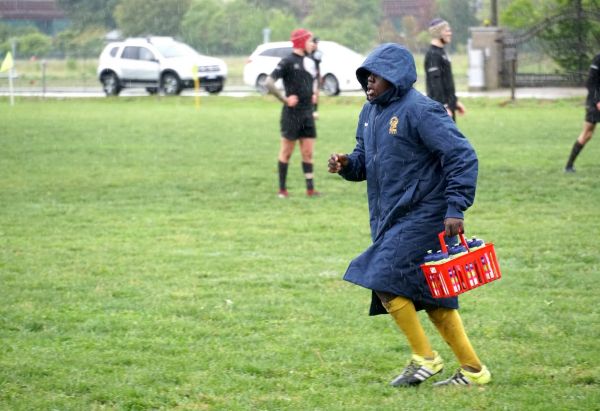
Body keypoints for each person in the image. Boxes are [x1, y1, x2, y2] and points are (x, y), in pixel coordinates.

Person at [328, 43, 491, 387]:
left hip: (428, 214)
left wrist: (455, 206)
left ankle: (425, 358)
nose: (368, 81)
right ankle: (474, 371)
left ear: (396, 78)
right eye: (366, 76)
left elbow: (462, 156)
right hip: (391, 216)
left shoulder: (420, 110)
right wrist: (346, 165)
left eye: (376, 76)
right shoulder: (369, 112)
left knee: (380, 275)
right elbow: (364, 161)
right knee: (433, 294)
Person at [265, 28, 320, 198]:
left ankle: (310, 190)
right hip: (292, 115)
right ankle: (282, 190)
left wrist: (314, 98)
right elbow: (268, 82)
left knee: (308, 153)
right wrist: (284, 99)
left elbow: (313, 85)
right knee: (286, 152)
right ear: (301, 42)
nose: (313, 44)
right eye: (310, 40)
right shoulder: (287, 61)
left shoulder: (311, 62)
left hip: (307, 114)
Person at [565, 52, 600, 172]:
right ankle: (569, 166)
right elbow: (590, 83)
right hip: (595, 101)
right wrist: (597, 101)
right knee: (587, 133)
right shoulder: (598, 59)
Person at [424, 18, 465, 121]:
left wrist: (454, 102)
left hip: (448, 108)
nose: (450, 33)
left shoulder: (441, 52)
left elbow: (446, 82)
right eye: (447, 31)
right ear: (438, 32)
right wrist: (443, 107)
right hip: (440, 111)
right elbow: (435, 85)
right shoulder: (433, 54)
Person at [311, 37, 323, 120]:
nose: (316, 45)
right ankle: (311, 112)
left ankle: (314, 112)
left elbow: (317, 66)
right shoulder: (307, 53)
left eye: (317, 43)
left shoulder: (317, 53)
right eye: (315, 43)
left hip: (315, 77)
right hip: (308, 77)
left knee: (316, 94)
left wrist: (319, 76)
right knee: (311, 95)